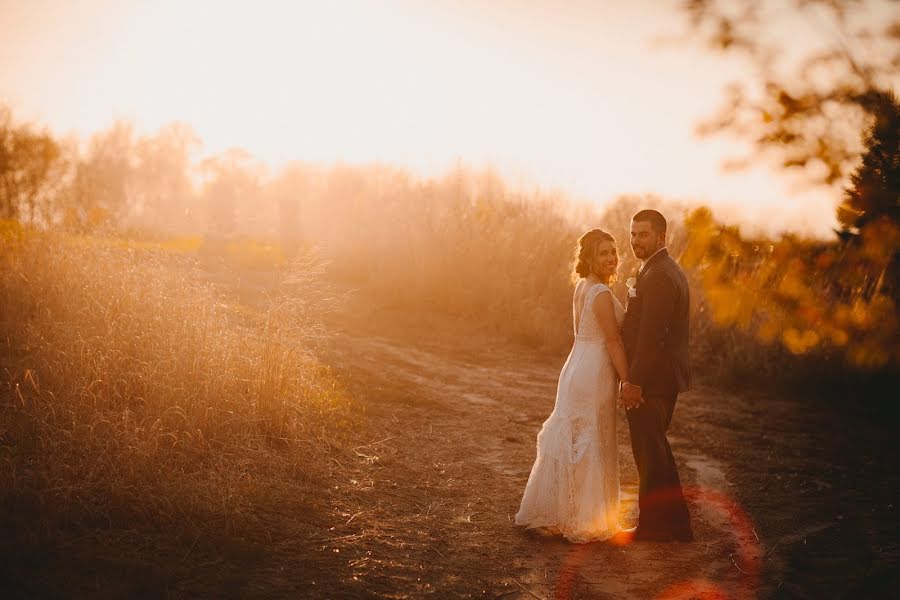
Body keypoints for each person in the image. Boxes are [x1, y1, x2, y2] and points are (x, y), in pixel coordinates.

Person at [515, 229, 629, 543]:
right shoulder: (601, 294)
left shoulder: (583, 287)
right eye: (603, 253)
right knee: (590, 438)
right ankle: (585, 518)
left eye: (613, 252)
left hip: (575, 365)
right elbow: (614, 340)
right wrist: (628, 380)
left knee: (575, 437)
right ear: (589, 258)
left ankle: (561, 512)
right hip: (594, 372)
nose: (610, 258)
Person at [619, 209, 694, 542]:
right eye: (633, 234)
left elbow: (652, 336)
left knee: (650, 452)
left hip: (654, 379)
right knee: (655, 451)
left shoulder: (661, 275)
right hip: (659, 376)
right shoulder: (656, 269)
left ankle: (655, 527)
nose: (636, 240)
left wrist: (634, 382)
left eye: (643, 235)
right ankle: (675, 526)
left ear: (661, 237)